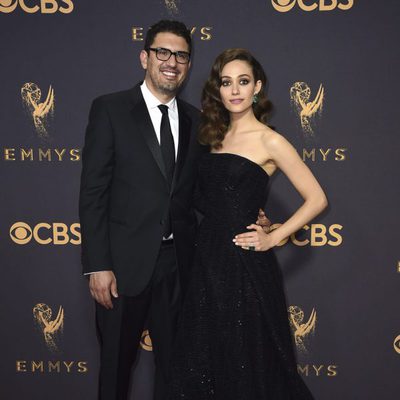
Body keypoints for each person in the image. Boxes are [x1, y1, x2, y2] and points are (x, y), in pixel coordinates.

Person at [168, 48, 327, 399]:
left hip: (244, 266)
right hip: (205, 261)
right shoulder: (212, 137)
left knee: (247, 361)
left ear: (257, 87)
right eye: (227, 83)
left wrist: (275, 237)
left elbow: (317, 198)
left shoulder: (270, 140)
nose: (235, 90)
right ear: (218, 90)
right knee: (203, 360)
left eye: (243, 81)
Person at [79, 20, 205, 400]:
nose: (172, 62)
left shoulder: (196, 119)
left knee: (175, 371)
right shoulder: (110, 109)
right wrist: (97, 264)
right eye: (163, 52)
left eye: (181, 55)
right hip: (121, 266)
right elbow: (93, 191)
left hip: (177, 266)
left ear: (188, 64)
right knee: (115, 370)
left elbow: (195, 192)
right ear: (144, 57)